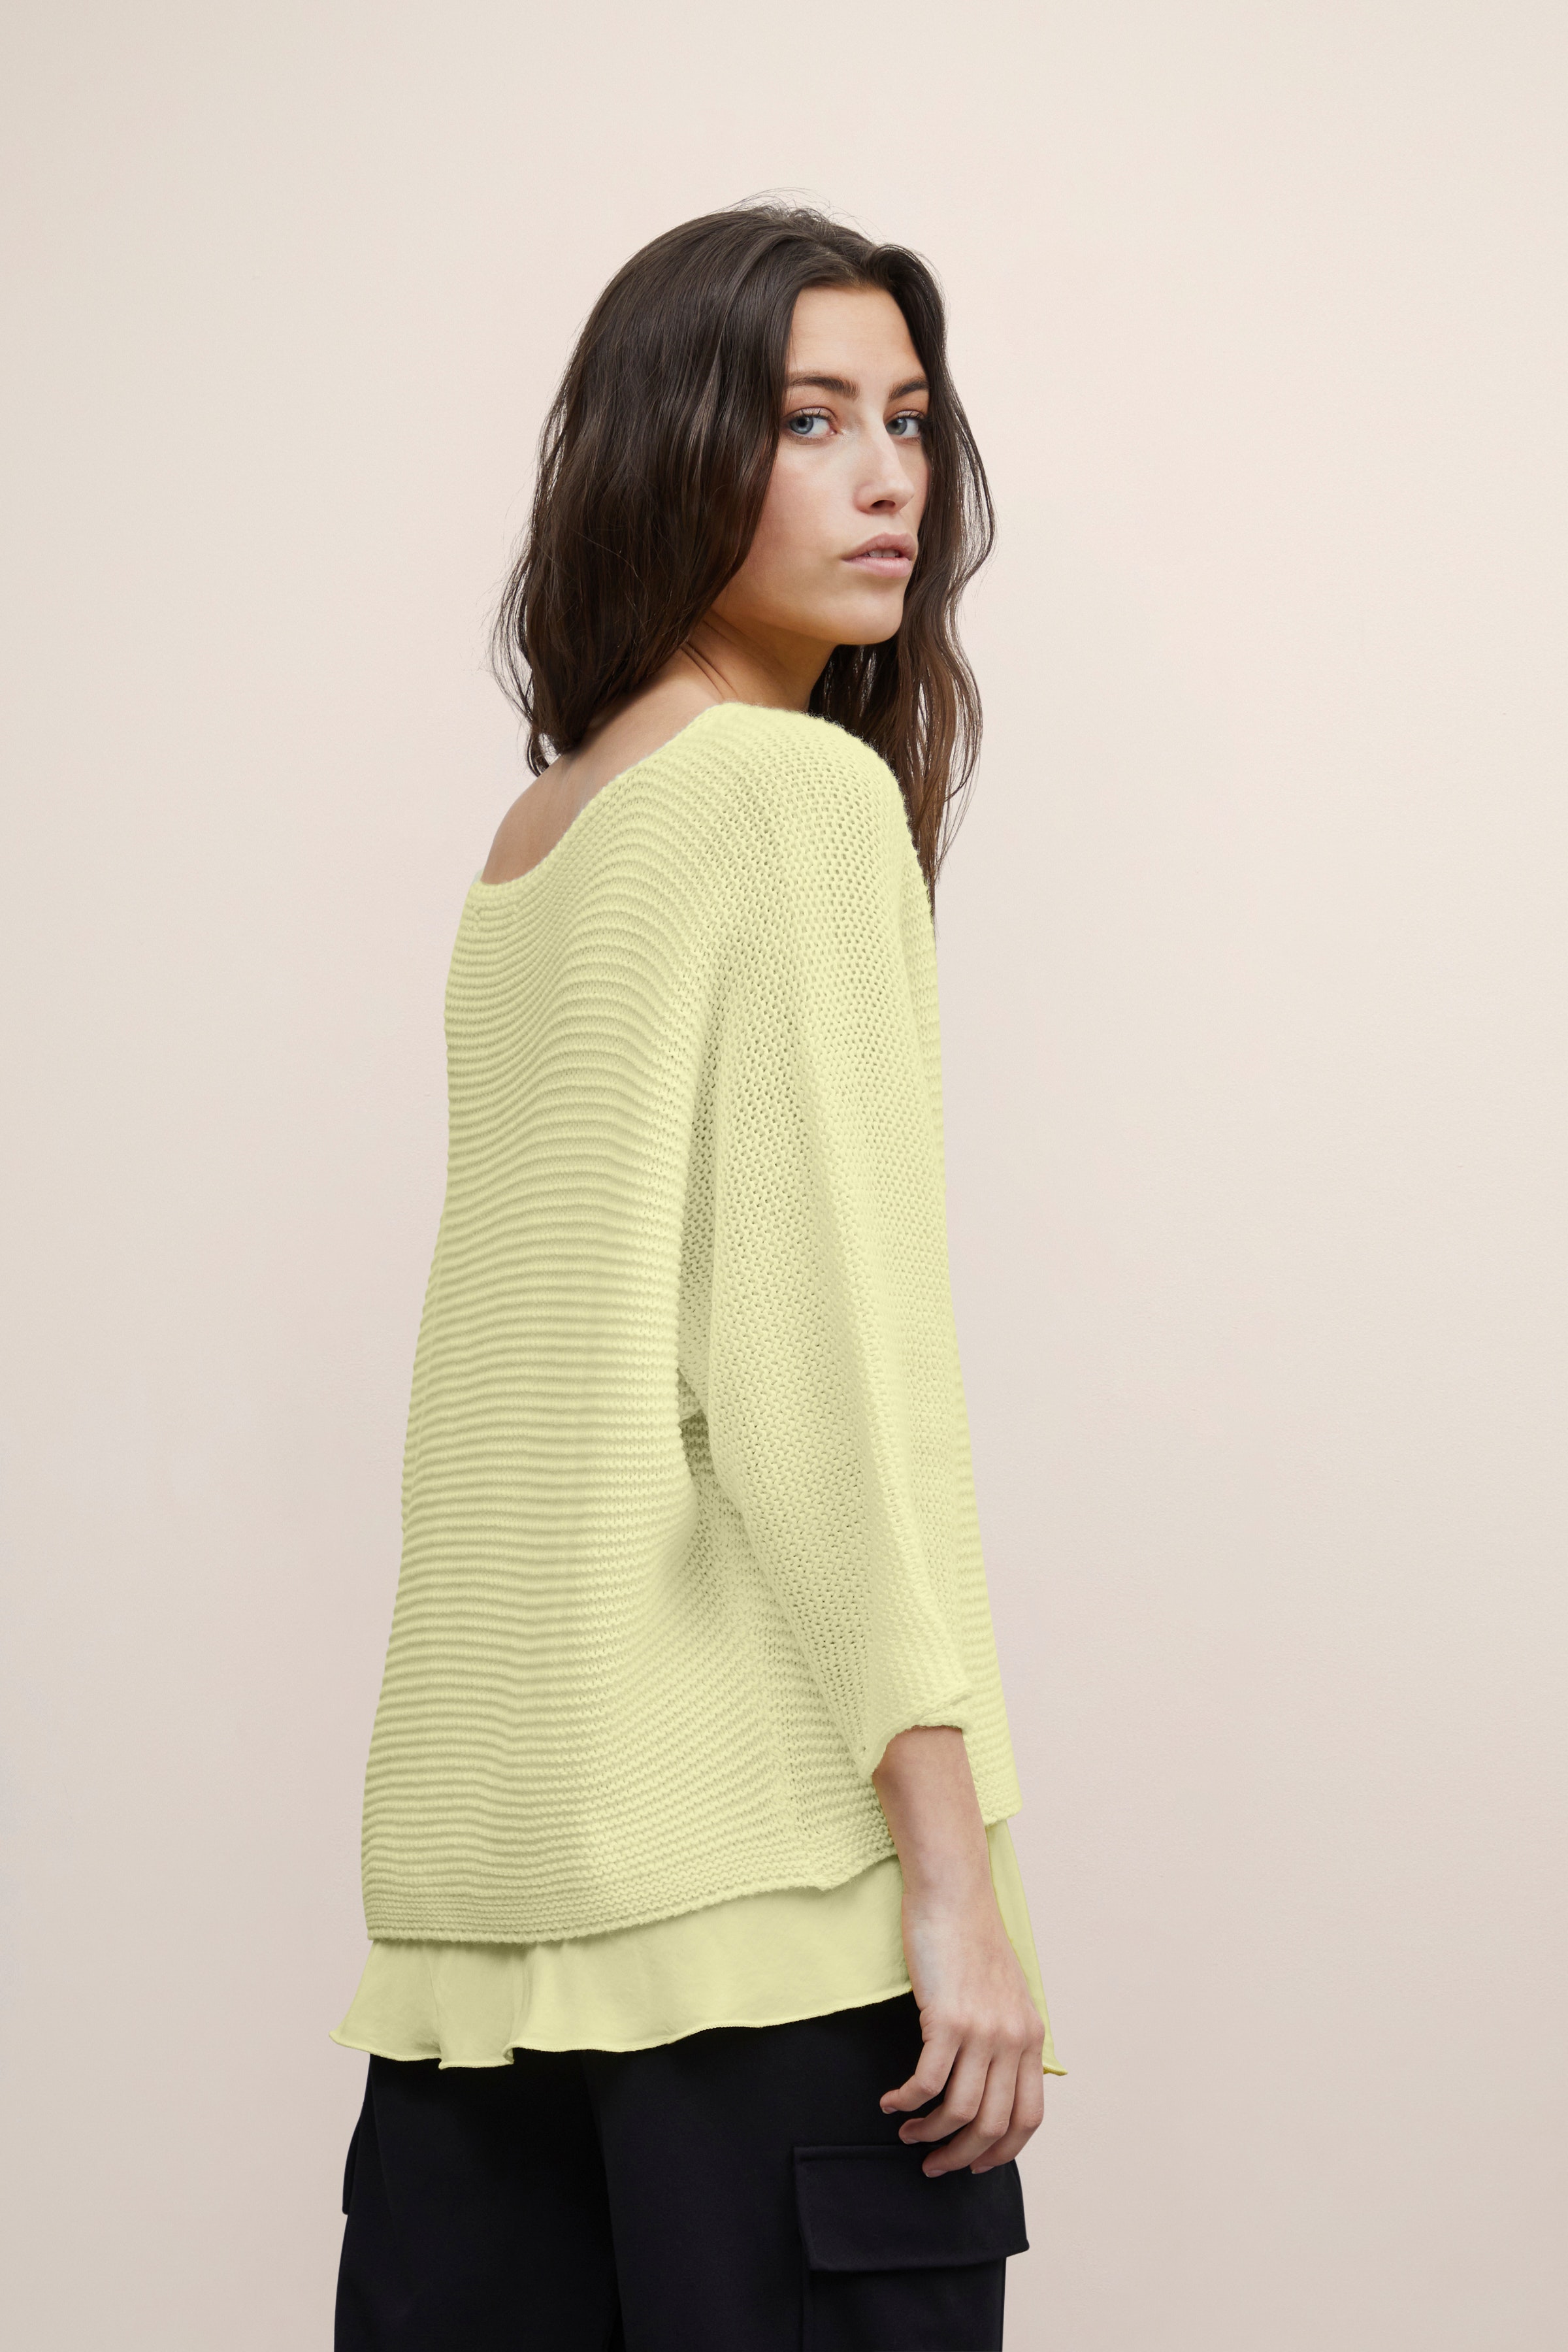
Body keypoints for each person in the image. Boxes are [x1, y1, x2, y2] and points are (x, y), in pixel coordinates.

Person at [331, 200, 1064, 2352]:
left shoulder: (544, 838)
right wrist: (955, 1873)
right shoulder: (788, 796)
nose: (887, 479)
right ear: (673, 448)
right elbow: (811, 1377)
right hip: (763, 1915)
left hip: (488, 1945)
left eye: (907, 421)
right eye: (809, 420)